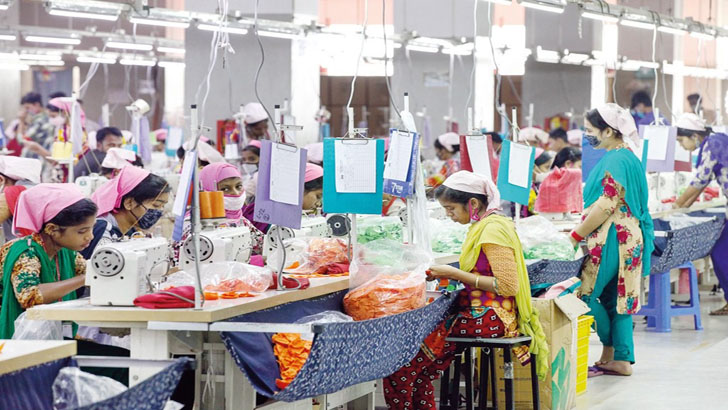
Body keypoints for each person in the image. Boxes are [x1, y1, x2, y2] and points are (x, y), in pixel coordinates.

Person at [383, 171, 548, 409]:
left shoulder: (492, 230)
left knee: (400, 365)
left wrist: (455, 274)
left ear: (473, 203)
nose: (448, 215)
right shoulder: (487, 226)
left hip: (490, 316)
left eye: (451, 209)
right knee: (422, 373)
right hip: (486, 314)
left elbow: (508, 285)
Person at [569, 103, 654, 376]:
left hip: (613, 237)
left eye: (590, 130)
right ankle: (620, 358)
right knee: (618, 298)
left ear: (608, 131)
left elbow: (607, 204)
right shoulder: (628, 156)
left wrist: (576, 234)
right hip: (630, 235)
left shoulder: (615, 159)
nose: (587, 135)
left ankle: (612, 350)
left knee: (584, 294)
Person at [0, 184, 96, 338]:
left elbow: (92, 271)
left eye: (92, 228)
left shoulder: (66, 252)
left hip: (46, 334)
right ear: (52, 229)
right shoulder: (26, 252)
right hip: (17, 339)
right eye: (82, 231)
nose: (90, 236)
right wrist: (86, 278)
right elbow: (29, 295)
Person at [673, 113, 728, 315]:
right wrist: (683, 205)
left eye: (681, 140)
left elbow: (699, 181)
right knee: (721, 250)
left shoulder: (712, 145)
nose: (681, 146)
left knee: (720, 252)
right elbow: (703, 182)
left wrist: (678, 204)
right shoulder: (718, 140)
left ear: (694, 136)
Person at [81, 166, 171, 259]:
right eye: (156, 205)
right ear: (129, 203)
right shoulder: (103, 231)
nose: (159, 211)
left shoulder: (130, 231)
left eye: (162, 206)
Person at [198, 162, 264, 255]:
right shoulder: (197, 225)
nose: (236, 193)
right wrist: (258, 260)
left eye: (238, 186)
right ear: (207, 189)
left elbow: (263, 245)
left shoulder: (241, 221)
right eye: (225, 189)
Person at [17, 92, 54, 158]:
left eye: (27, 108)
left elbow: (21, 141)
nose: (26, 111)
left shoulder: (40, 121)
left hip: (36, 159)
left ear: (37, 105)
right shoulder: (41, 118)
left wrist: (21, 121)